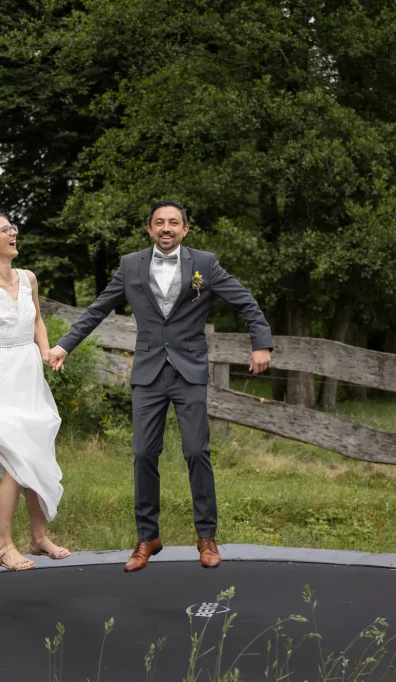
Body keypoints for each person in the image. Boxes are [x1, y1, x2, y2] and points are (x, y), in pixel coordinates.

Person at [48, 200, 272, 572]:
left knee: (197, 452)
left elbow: (246, 302)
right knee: (142, 454)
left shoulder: (205, 264)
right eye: (159, 223)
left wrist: (260, 342)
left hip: (189, 372)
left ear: (185, 229)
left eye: (173, 223)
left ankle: (206, 537)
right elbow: (98, 308)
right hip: (149, 374)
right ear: (149, 229)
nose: (166, 228)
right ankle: (147, 537)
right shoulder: (129, 264)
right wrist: (64, 344)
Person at [0, 213, 71, 571]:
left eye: (13, 228)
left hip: (28, 375)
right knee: (15, 461)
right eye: (6, 230)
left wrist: (47, 349)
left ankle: (38, 538)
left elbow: (36, 319)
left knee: (33, 453)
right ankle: (4, 545)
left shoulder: (28, 278)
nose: (13, 232)